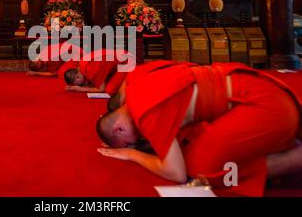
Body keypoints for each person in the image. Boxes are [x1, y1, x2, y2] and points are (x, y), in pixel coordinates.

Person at [97, 61, 302, 196]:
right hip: (264, 91)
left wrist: (132, 154)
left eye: (130, 142)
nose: (138, 142)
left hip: (265, 107)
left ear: (119, 129)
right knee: (192, 149)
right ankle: (276, 146)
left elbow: (176, 173)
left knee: (200, 169)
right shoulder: (140, 86)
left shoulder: (144, 111)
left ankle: (292, 159)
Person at [64, 49, 131, 95]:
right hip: (121, 55)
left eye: (78, 84)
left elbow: (101, 89)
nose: (81, 85)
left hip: (127, 62)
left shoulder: (90, 70)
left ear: (77, 77)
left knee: (109, 90)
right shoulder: (82, 63)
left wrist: (80, 89)